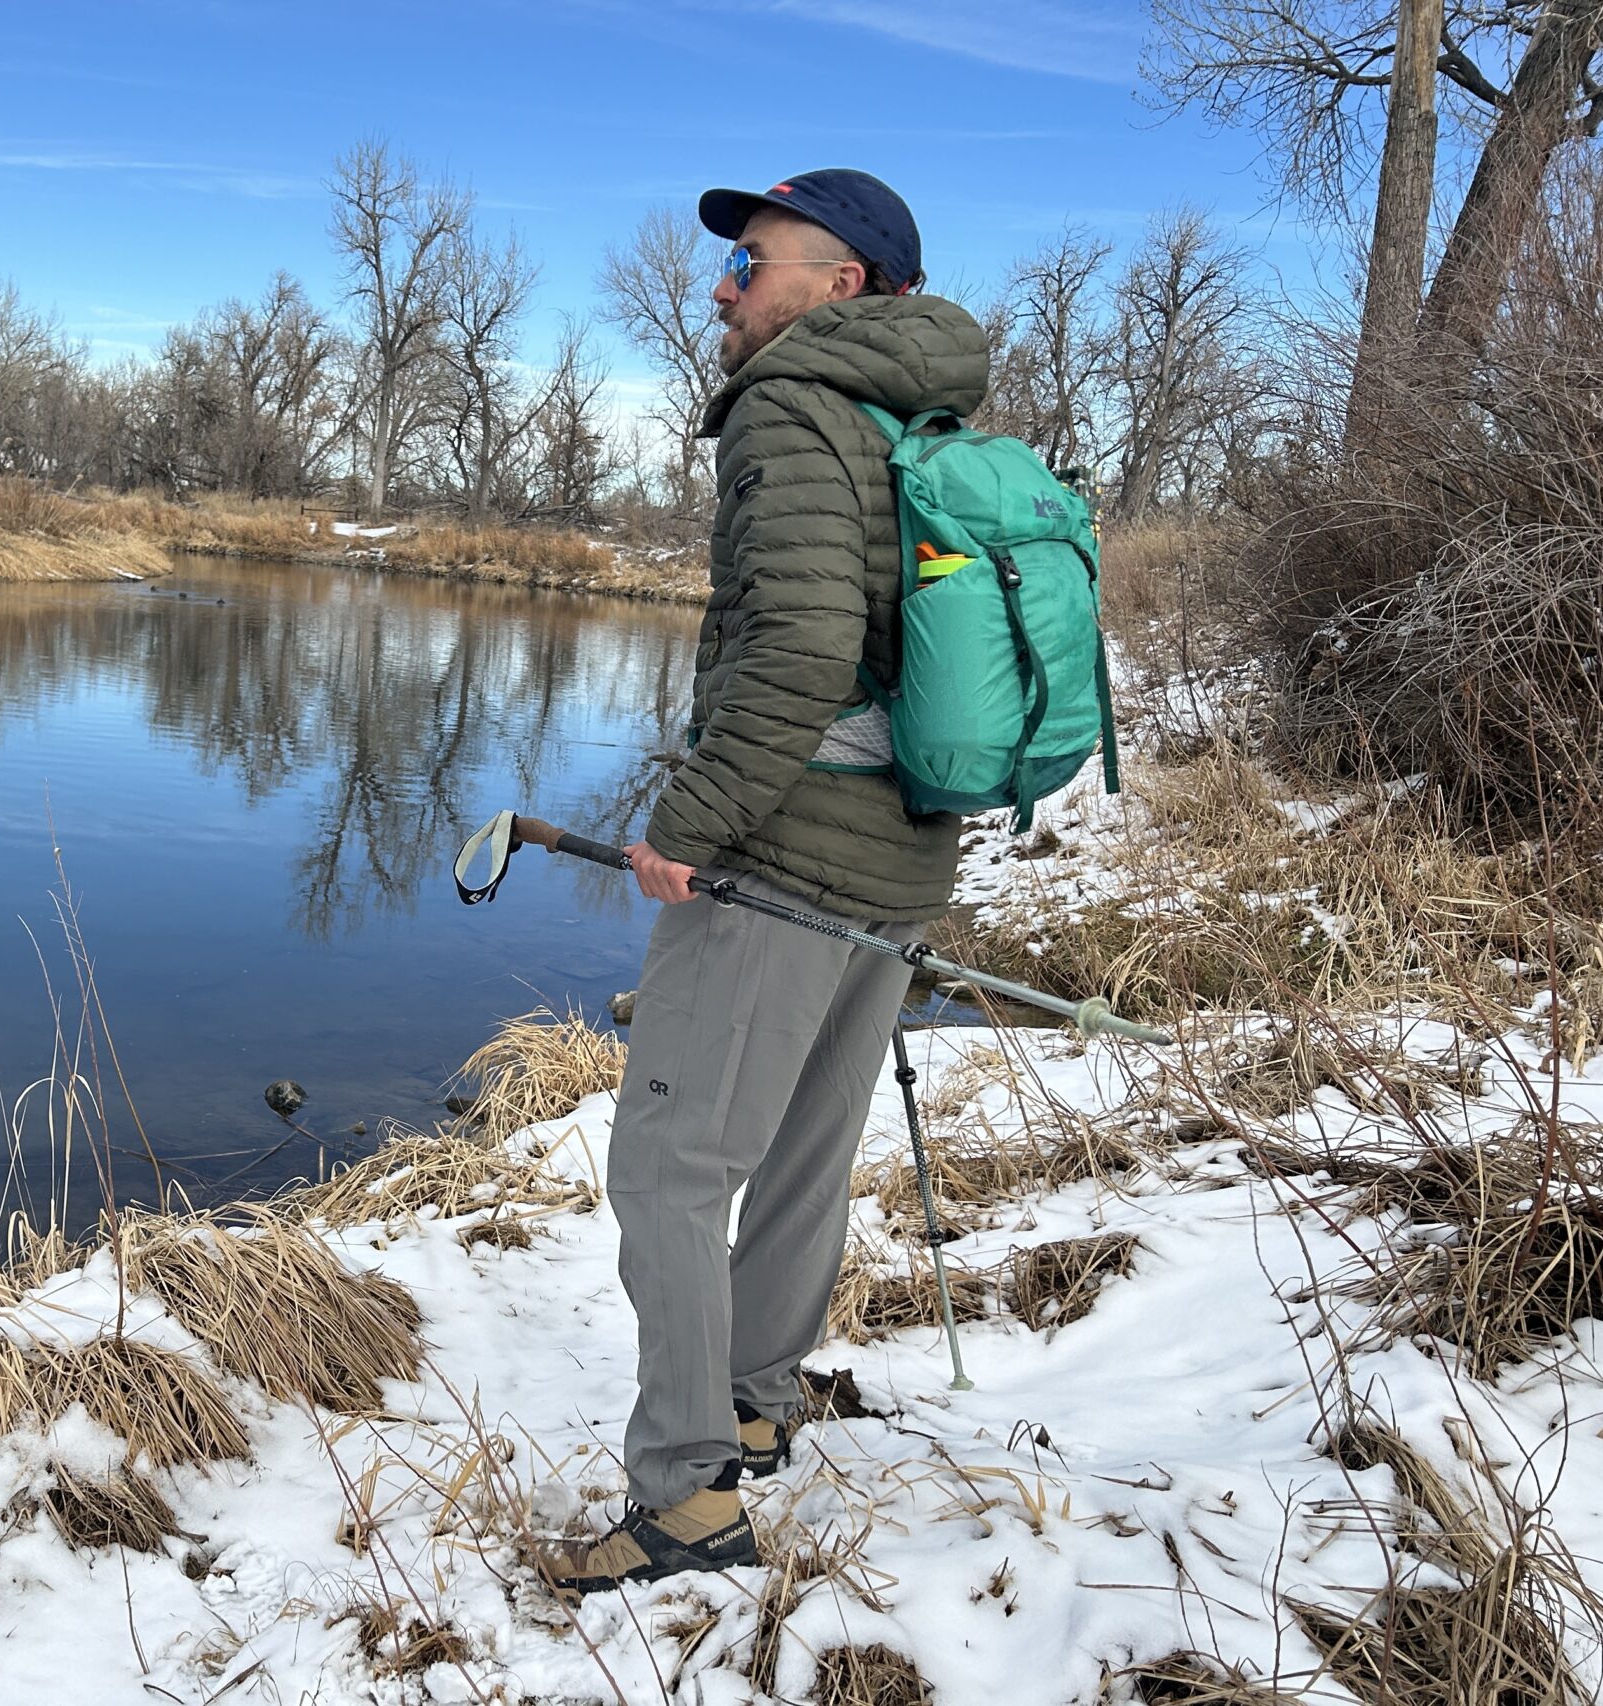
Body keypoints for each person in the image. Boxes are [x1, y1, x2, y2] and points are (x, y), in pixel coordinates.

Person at [543, 169, 990, 1595]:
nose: (724, 287)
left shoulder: (795, 407)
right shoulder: (919, 407)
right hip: (899, 860)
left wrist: (692, 819)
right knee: (802, 1144)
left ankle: (684, 1498)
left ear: (839, 284)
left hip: (786, 857)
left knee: (671, 1164)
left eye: (752, 262)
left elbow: (795, 645)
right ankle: (752, 1395)